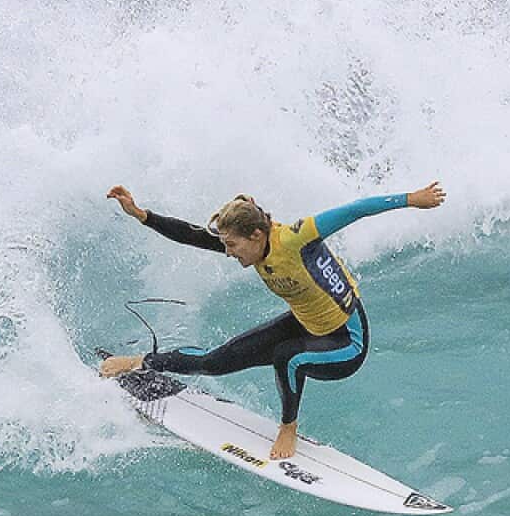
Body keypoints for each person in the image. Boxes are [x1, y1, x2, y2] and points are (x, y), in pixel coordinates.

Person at [102, 182, 446, 459]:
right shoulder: (251, 243)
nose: (229, 252)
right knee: (214, 361)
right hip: (305, 323)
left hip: (346, 342)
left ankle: (288, 428)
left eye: (233, 245)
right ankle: (141, 362)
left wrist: (412, 199)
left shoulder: (296, 239)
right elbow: (192, 235)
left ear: (256, 235)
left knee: (287, 356)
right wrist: (141, 214)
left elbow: (356, 209)